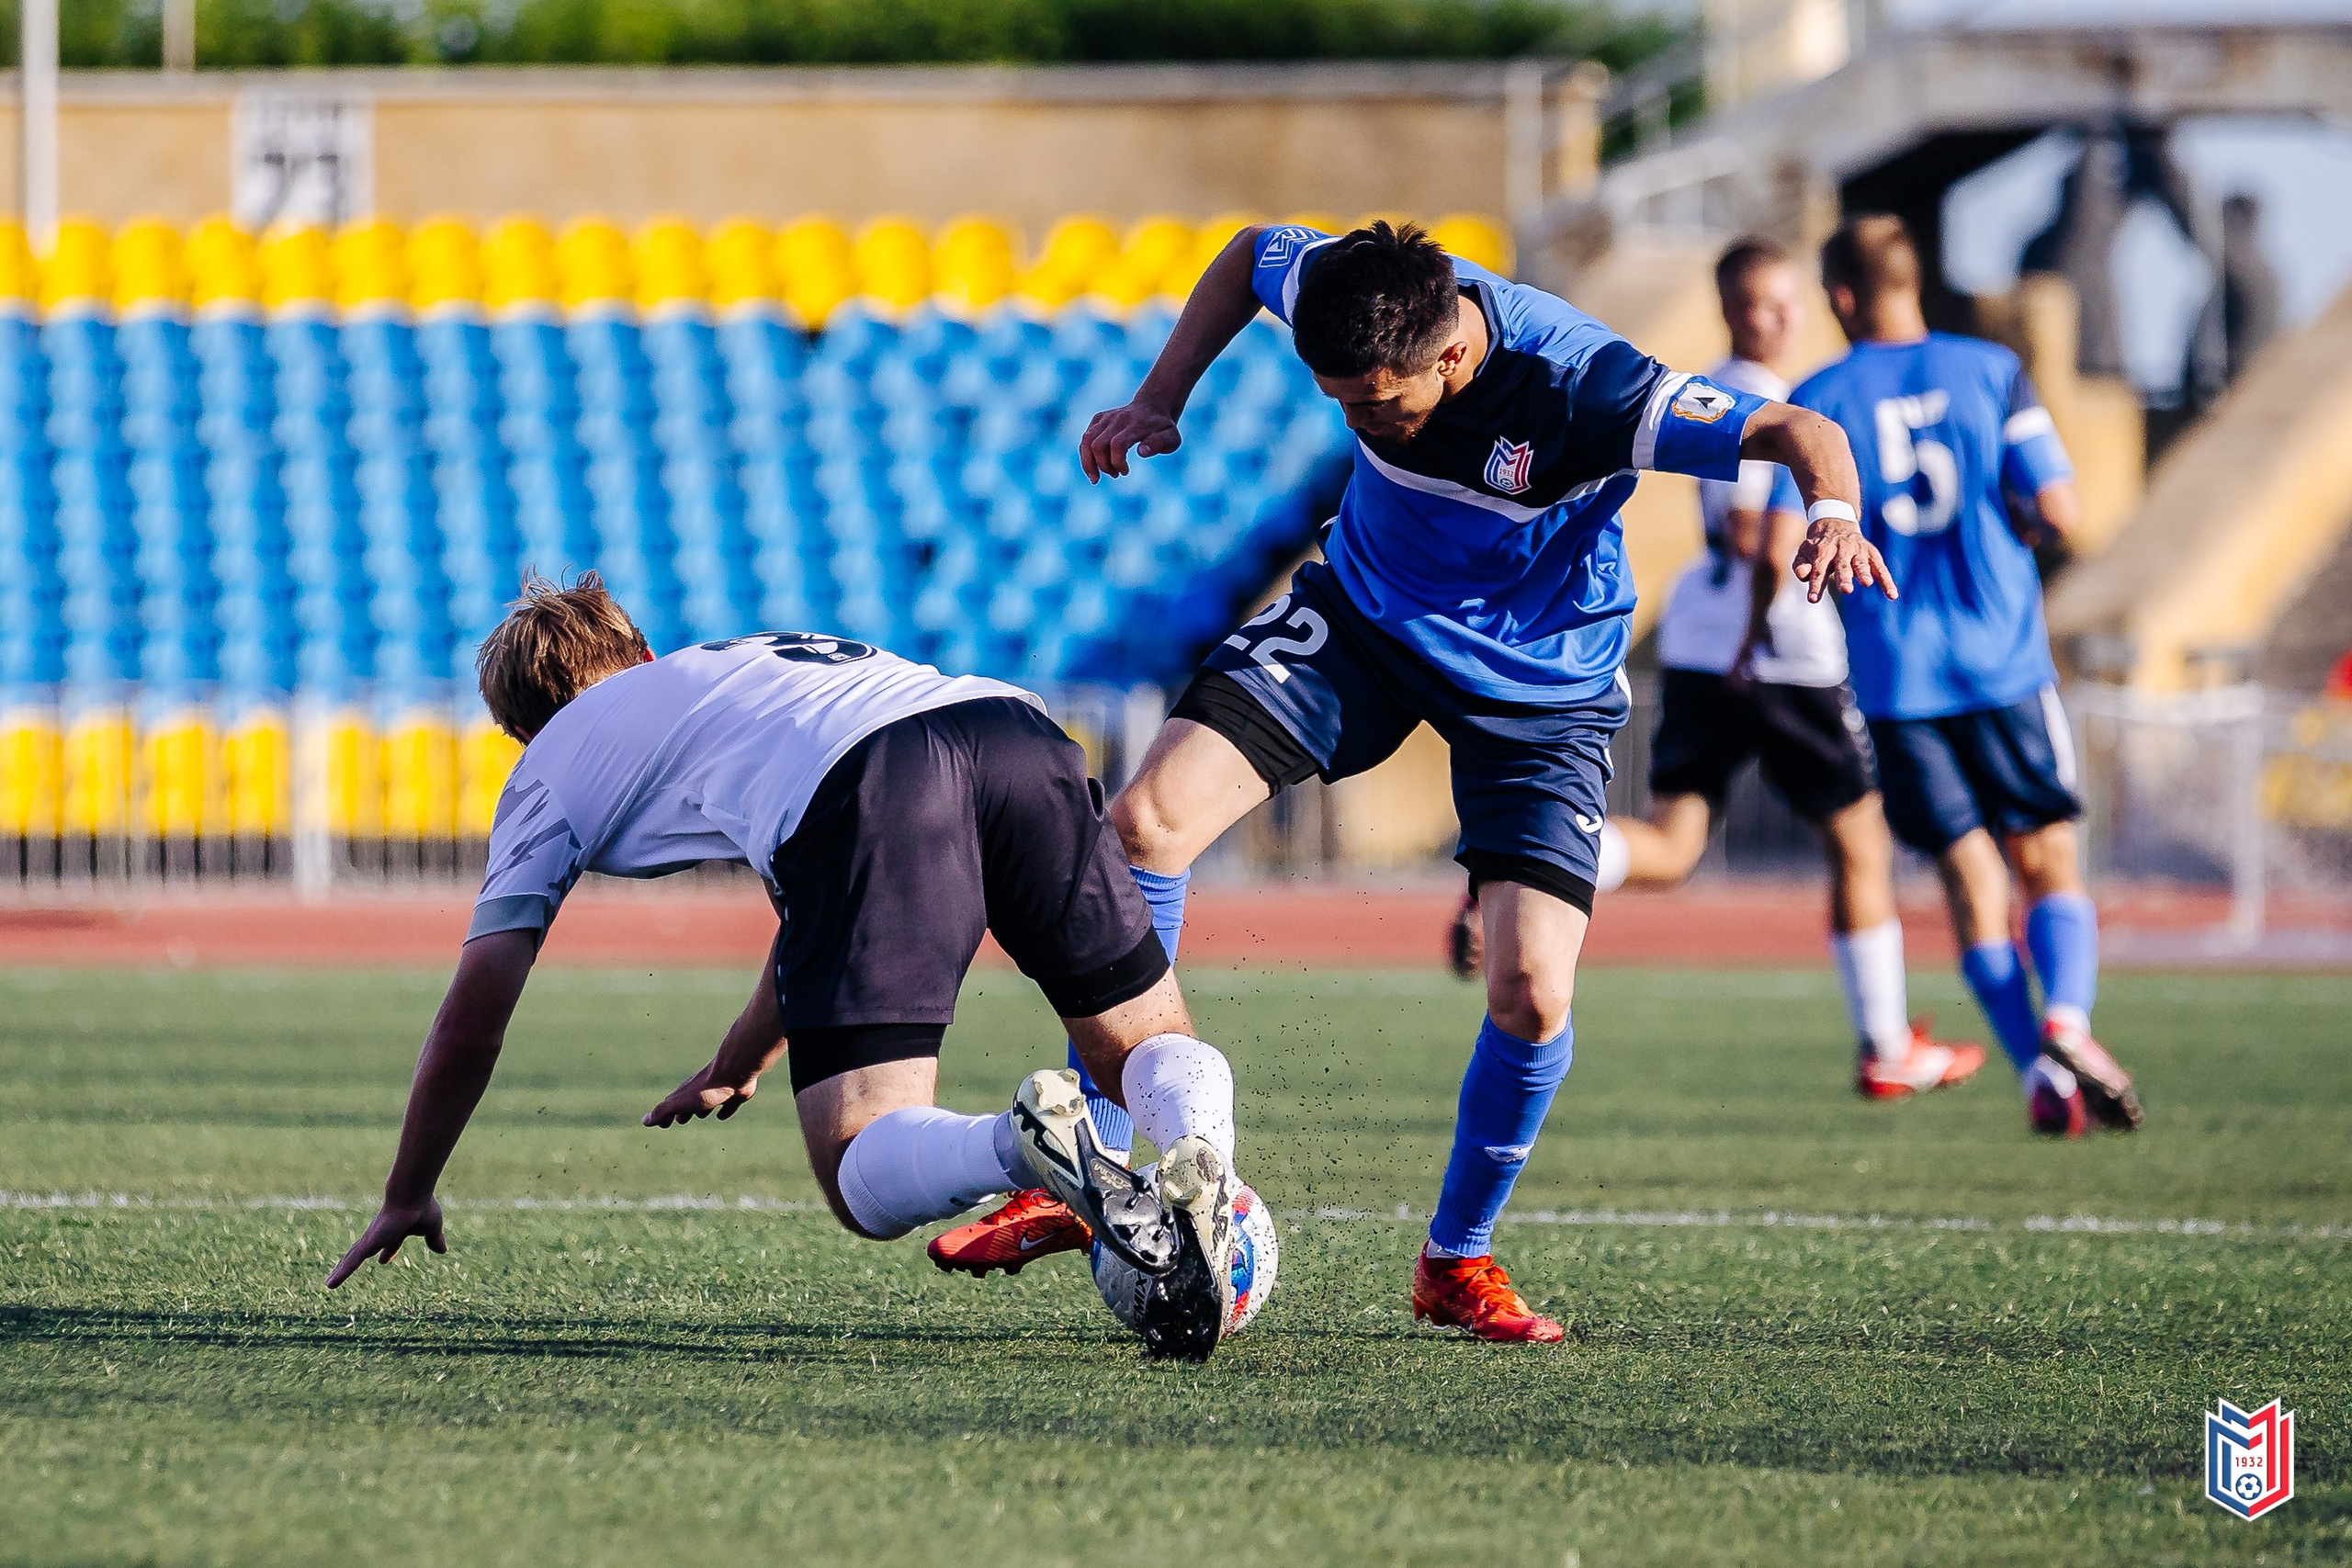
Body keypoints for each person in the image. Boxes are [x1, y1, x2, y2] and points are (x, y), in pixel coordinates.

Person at [930, 220, 1894, 1342]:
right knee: (1143, 823)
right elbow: (1249, 252)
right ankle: (1081, 1169)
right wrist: (1161, 399)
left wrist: (1832, 511)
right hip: (1365, 624)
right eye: (1336, 400)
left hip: (1539, 691)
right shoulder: (1354, 290)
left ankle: (1457, 1262)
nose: (1356, 421)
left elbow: (1799, 426)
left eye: (1374, 405)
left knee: (1532, 992)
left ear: (1449, 358)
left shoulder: (1589, 387)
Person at [323, 575, 1247, 1361]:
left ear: (518, 732)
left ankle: (1026, 1145)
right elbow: (813, 905)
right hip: (1014, 729)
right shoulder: (739, 664)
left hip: (877, 786)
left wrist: (407, 1190)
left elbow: (473, 1015)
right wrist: (737, 1059)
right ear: (643, 655)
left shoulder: (549, 771)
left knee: (857, 1165)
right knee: (1141, 1041)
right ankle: (1207, 1158)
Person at [1446, 236, 1984, 1102]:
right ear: (1734, 308)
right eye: (1761, 304)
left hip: (1704, 637)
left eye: (1786, 302)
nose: (1778, 318)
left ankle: (1529, 861)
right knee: (1860, 840)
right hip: (1774, 647)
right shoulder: (1768, 399)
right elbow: (1756, 532)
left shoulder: (1711, 384)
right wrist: (1763, 626)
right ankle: (1885, 1043)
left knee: (1673, 842)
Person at [1786, 214, 2144, 1138]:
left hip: (1898, 675)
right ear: (1916, 282)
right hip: (2002, 660)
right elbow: (2057, 508)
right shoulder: (1990, 371)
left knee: (1968, 875)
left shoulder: (1819, 400)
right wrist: (2016, 526)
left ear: (1838, 296)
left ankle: (2038, 1071)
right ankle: (2067, 1024)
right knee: (2047, 856)